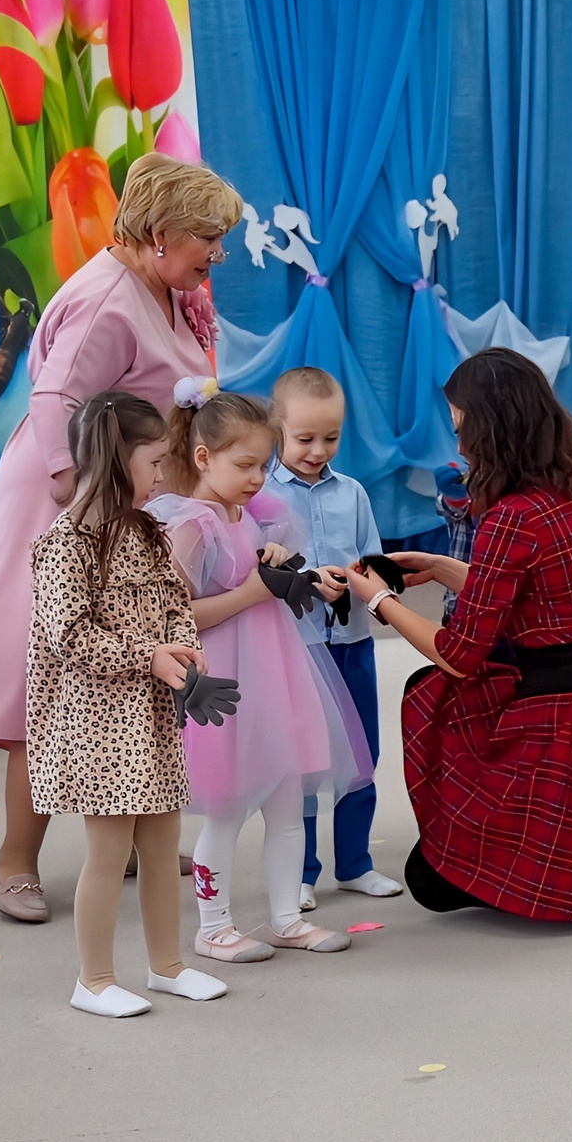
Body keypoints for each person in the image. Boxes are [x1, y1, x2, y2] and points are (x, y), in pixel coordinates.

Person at [0, 155, 242, 923]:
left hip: (127, 504)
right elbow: (54, 403)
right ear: (159, 230)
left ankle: (134, 837)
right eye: (209, 237)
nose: (217, 254)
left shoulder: (163, 286)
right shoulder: (107, 299)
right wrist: (86, 506)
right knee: (48, 685)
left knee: (139, 678)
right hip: (69, 507)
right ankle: (13, 862)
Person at [345, 348, 572, 920]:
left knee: (435, 696)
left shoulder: (512, 518)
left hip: (558, 717)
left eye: (461, 428)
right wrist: (443, 566)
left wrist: (377, 599)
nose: (457, 446)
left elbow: (458, 656)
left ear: (492, 431)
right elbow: (548, 593)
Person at [30, 392, 229, 1017]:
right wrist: (148, 656)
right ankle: (92, 979)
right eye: (154, 462)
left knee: (164, 836)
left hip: (149, 712)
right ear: (118, 458)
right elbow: (68, 634)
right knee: (110, 851)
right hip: (97, 718)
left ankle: (167, 965)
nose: (162, 476)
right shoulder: (66, 542)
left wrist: (184, 650)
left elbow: (176, 601)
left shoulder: (147, 532)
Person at [150, 388, 357, 961]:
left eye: (263, 465)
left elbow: (279, 567)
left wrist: (287, 568)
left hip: (278, 672)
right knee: (227, 806)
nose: (256, 478)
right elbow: (176, 614)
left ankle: (286, 917)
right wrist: (250, 592)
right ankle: (212, 925)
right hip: (227, 679)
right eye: (243, 466)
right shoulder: (189, 525)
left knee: (288, 802)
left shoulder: (259, 514)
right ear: (201, 458)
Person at [265, 367, 405, 910]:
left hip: (351, 642)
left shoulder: (353, 494)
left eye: (331, 437)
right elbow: (258, 573)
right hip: (297, 652)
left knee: (360, 753)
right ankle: (301, 871)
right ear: (277, 427)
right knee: (302, 762)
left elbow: (372, 560)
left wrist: (368, 581)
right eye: (304, 438)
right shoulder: (263, 500)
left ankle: (355, 864)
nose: (319, 449)